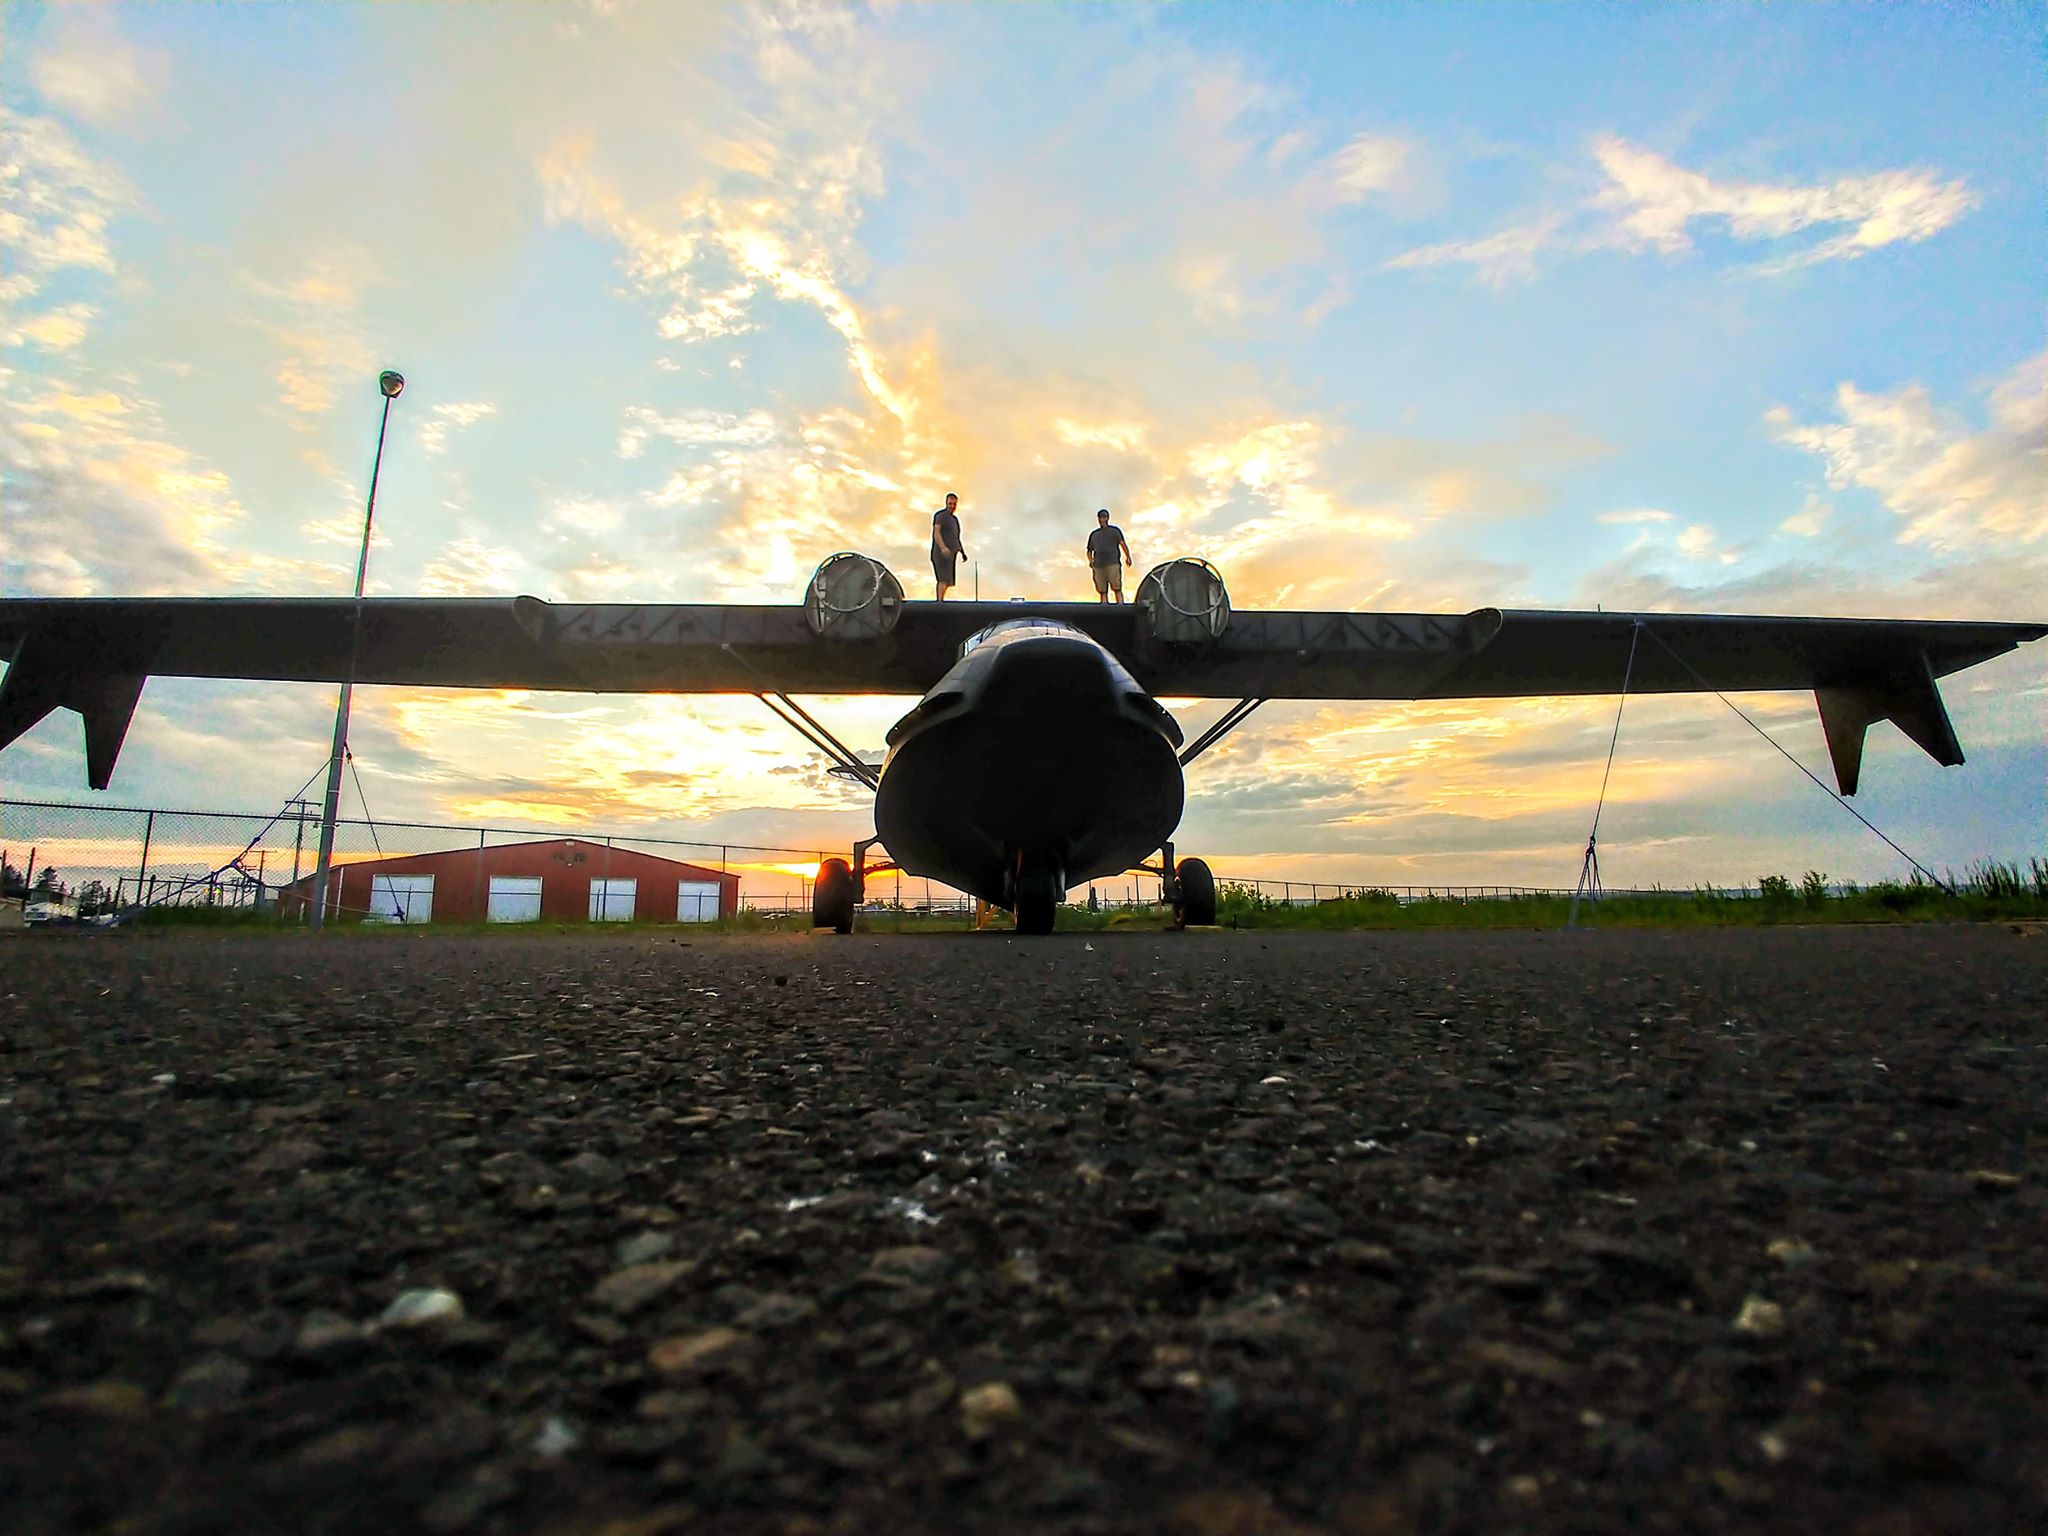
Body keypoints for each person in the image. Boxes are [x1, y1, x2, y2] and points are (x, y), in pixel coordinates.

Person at [1085, 508, 1133, 603]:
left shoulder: (1114, 531)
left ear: (1107, 518)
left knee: (1116, 587)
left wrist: (1128, 557)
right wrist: (1091, 561)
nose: (1102, 519)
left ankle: (1120, 605)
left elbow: (1122, 544)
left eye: (1104, 517)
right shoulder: (1094, 534)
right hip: (1099, 565)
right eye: (1100, 517)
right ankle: (1104, 607)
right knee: (1102, 590)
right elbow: (1089, 550)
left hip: (1112, 563)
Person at [930, 492, 966, 600]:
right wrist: (943, 547)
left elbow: (956, 538)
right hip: (940, 554)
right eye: (950, 503)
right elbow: (936, 532)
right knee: (942, 579)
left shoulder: (954, 520)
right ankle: (939, 602)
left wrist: (962, 552)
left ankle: (941, 600)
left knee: (948, 581)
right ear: (946, 503)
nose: (952, 506)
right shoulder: (940, 516)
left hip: (951, 555)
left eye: (954, 504)